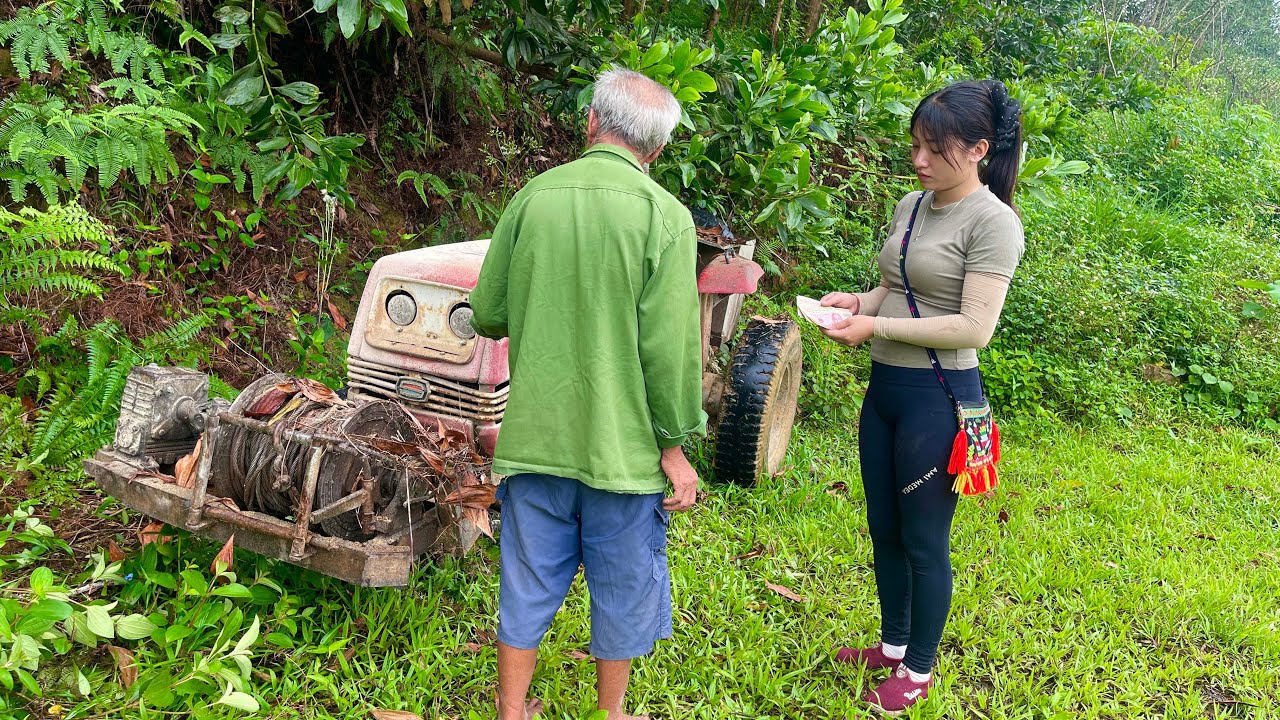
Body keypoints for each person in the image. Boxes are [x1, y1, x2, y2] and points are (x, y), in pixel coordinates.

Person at [469, 68, 707, 720]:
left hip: (535, 440)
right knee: (623, 588)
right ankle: (612, 713)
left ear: (591, 122)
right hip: (623, 455)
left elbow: (487, 311)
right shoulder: (666, 218)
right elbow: (671, 353)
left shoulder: (532, 198)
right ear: (655, 150)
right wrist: (674, 447)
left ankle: (511, 712)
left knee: (525, 584)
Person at [818, 79, 1025, 715]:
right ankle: (893, 642)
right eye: (916, 145)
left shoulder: (994, 224)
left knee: (923, 540)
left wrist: (875, 326)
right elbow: (895, 284)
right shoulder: (914, 203)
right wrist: (859, 304)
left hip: (940, 397)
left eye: (935, 148)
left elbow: (973, 327)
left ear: (979, 150)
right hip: (886, 390)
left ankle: (920, 668)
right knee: (884, 526)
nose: (919, 160)